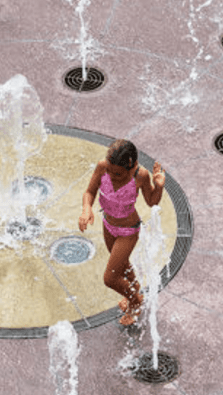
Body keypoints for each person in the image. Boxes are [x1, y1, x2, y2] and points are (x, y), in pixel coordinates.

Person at [78, 139, 166, 325]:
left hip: (128, 230)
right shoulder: (103, 167)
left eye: (117, 173)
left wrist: (159, 185)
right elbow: (90, 192)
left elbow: (151, 201)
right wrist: (87, 209)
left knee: (110, 278)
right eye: (109, 170)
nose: (111, 175)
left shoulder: (140, 175)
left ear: (132, 167)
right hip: (108, 226)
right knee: (123, 266)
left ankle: (136, 302)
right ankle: (135, 292)